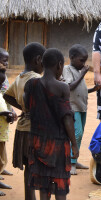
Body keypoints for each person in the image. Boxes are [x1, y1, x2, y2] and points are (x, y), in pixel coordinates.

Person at [23, 48, 79, 200]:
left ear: (42, 62)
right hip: (58, 144)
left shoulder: (31, 84)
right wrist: (74, 144)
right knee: (60, 184)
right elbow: (67, 118)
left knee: (43, 183)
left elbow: (27, 106)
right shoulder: (62, 87)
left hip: (37, 141)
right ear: (60, 65)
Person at [4, 42, 46, 200]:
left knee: (30, 166)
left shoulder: (19, 78)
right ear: (38, 60)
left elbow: (7, 95)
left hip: (23, 130)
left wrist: (24, 108)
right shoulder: (37, 79)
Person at [62, 44, 100, 175]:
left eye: (85, 60)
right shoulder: (67, 69)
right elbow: (69, 87)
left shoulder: (78, 72)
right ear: (71, 57)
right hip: (73, 108)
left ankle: (74, 159)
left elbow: (80, 90)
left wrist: (93, 90)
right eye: (81, 60)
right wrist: (83, 74)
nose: (84, 63)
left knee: (80, 134)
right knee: (76, 134)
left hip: (82, 107)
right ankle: (70, 162)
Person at [0, 48, 17, 177]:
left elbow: (6, 97)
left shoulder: (4, 77)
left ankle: (2, 166)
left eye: (7, 61)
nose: (6, 63)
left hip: (4, 120)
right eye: (4, 61)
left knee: (2, 144)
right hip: (2, 116)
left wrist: (11, 110)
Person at [0, 69, 15, 196]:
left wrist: (9, 113)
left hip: (2, 130)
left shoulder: (1, 93)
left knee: (2, 157)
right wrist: (4, 113)